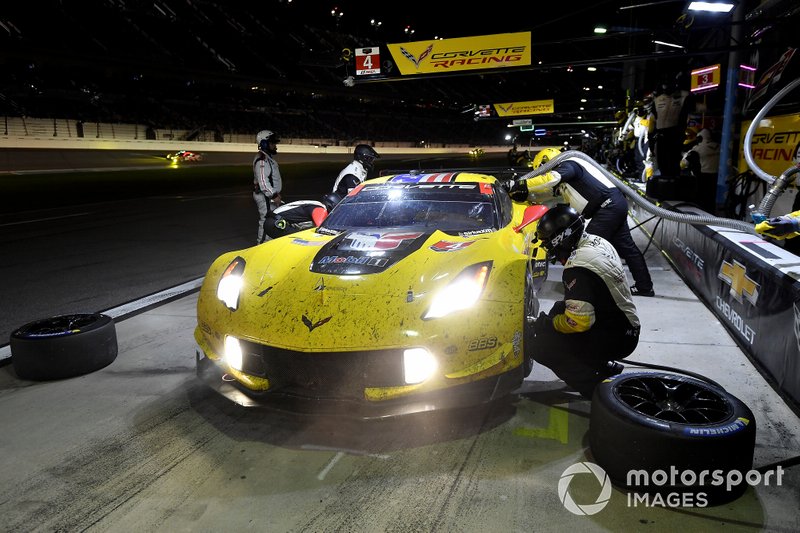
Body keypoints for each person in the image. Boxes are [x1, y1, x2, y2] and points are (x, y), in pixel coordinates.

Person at [507, 147, 655, 296]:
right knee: (628, 249)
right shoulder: (569, 171)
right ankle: (644, 287)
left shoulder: (568, 165)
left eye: (542, 170)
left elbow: (550, 179)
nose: (544, 173)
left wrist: (520, 184)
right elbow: (548, 193)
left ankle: (582, 289)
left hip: (607, 207)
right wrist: (527, 194)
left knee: (584, 249)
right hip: (614, 205)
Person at [530, 204, 641, 399]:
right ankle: (606, 367)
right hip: (623, 325)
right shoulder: (596, 241)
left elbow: (579, 323)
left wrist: (549, 325)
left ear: (560, 239)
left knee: (541, 347)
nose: (548, 247)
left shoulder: (577, 268)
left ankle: (598, 392)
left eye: (548, 242)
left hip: (618, 337)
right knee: (558, 307)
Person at [262, 192, 343, 240]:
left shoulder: (315, 205)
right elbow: (322, 230)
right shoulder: (320, 210)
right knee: (300, 241)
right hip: (276, 223)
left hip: (274, 221)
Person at [680, 128, 720, 214]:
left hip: (703, 177)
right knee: (711, 200)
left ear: (699, 138)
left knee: (702, 201)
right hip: (717, 177)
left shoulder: (698, 149)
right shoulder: (718, 146)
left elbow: (683, 164)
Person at [253, 129, 283, 244]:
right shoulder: (262, 160)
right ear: (264, 143)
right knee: (265, 220)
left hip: (269, 195)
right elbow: (263, 182)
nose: (275, 145)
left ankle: (269, 243)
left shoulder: (267, 158)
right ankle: (260, 245)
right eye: (272, 142)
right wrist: (274, 195)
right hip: (265, 195)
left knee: (271, 220)